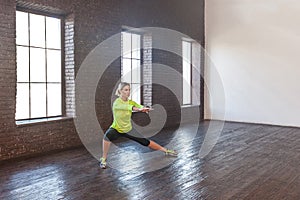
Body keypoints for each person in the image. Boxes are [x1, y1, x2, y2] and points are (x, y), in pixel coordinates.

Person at [99, 82, 178, 169]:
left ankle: (166, 151)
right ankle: (104, 158)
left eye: (129, 90)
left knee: (145, 142)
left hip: (128, 129)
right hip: (116, 128)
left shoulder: (131, 102)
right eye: (126, 90)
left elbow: (137, 105)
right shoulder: (117, 103)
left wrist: (144, 108)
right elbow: (130, 108)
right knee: (107, 136)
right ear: (120, 91)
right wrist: (140, 109)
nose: (128, 92)